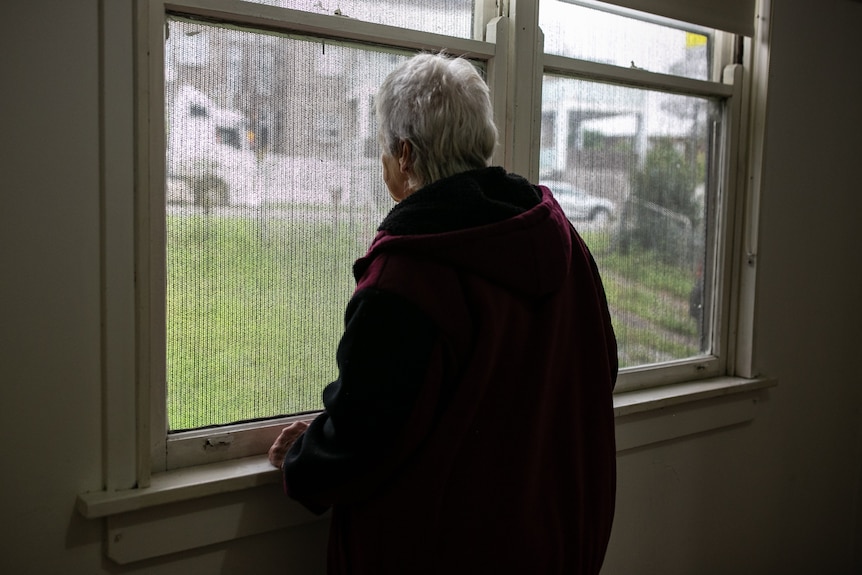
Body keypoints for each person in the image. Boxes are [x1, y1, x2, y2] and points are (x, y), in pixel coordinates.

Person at [268, 52, 618, 575]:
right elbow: (600, 369)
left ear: (405, 155)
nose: (382, 163)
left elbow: (363, 442)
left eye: (382, 150)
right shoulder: (564, 244)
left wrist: (303, 459)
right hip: (559, 541)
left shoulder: (408, 279)